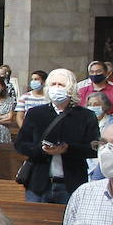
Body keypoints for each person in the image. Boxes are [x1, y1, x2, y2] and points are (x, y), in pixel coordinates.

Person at [14, 69, 99, 205]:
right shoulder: (35, 114)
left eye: (61, 85)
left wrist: (68, 149)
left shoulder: (86, 116)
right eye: (53, 84)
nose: (56, 88)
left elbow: (94, 148)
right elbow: (21, 144)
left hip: (71, 183)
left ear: (70, 89)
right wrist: (41, 150)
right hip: (39, 183)